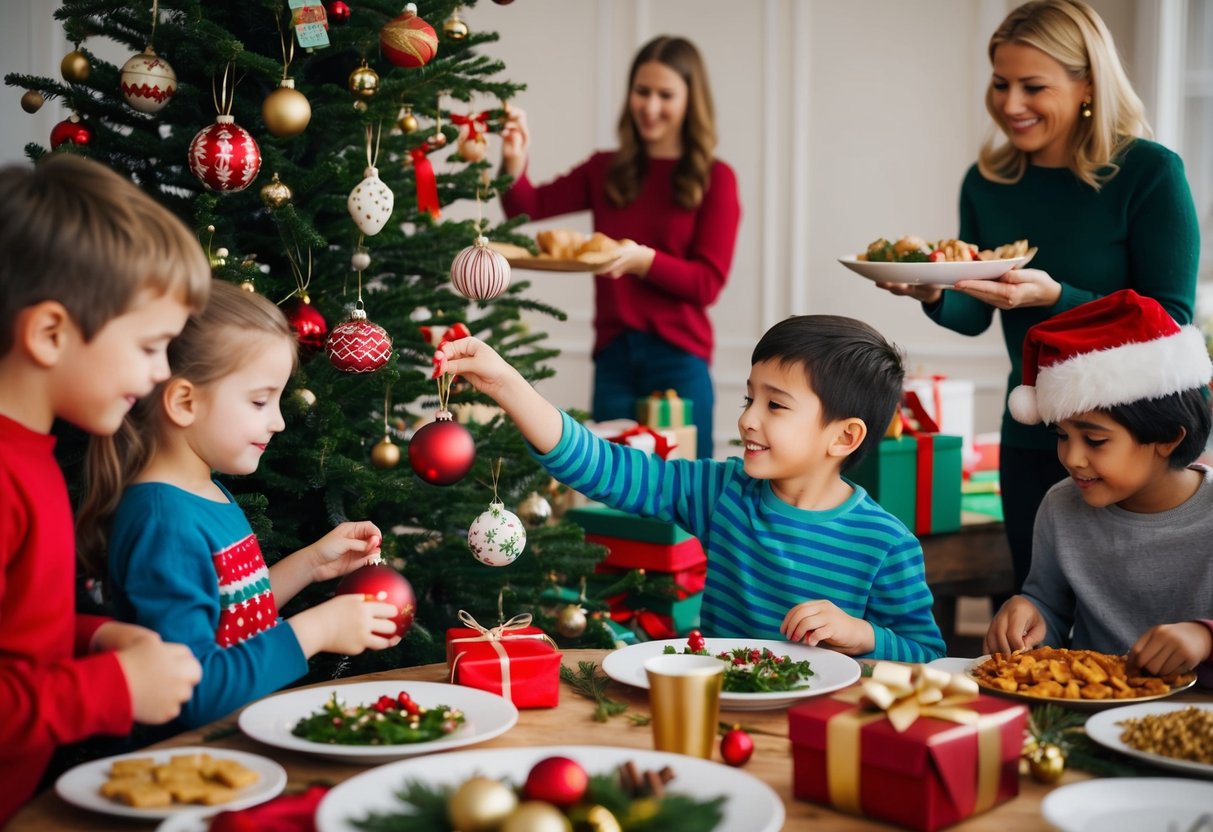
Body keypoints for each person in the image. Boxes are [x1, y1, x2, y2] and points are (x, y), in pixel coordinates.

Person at [873, 0, 1200, 594]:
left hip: (1129, 441)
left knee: (1134, 613)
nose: (1011, 104)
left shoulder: (1149, 174)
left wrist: (1054, 296)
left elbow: (1170, 323)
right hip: (1032, 431)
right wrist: (932, 290)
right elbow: (976, 313)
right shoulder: (988, 183)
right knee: (1038, 602)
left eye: (1033, 86)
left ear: (1087, 85)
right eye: (1001, 83)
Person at [437, 316, 946, 661]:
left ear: (844, 436)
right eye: (750, 398)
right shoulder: (723, 492)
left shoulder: (887, 544)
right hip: (716, 705)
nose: (747, 419)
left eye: (775, 405)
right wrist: (507, 384)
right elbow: (603, 467)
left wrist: (863, 636)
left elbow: (929, 656)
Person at [75, 280, 403, 729]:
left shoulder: (205, 491)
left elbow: (232, 619)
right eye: (260, 400)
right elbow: (191, 691)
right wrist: (315, 631)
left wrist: (309, 565)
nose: (279, 421)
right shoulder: (162, 520)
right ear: (185, 401)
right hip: (179, 771)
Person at [0, 154, 208, 824]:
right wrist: (110, 688)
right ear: (51, 333)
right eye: (151, 346)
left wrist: (94, 638)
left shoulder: (35, 452)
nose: (160, 374)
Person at [499, 35, 742, 460]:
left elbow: (707, 283)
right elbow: (526, 208)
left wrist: (643, 261)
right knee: (610, 491)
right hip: (614, 357)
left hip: (679, 360)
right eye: (641, 91)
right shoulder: (605, 169)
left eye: (665, 95)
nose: (650, 106)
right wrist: (514, 162)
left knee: (683, 496)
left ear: (691, 100)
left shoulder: (716, 179)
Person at [984, 290, 1213, 685]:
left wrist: (1206, 636)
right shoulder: (1061, 506)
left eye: (1095, 440)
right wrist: (1031, 612)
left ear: (1168, 438)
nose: (1072, 458)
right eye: (1061, 434)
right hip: (1086, 714)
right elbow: (1051, 611)